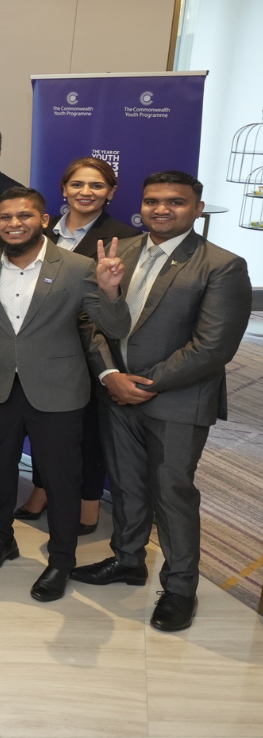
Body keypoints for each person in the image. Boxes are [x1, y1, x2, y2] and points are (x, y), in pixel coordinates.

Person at [74, 171, 250, 632]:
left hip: (177, 400)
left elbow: (212, 347)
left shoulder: (222, 265)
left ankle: (180, 589)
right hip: (117, 393)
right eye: (153, 201)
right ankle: (127, 560)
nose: (162, 209)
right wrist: (110, 376)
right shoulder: (119, 252)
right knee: (127, 485)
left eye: (175, 201)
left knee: (172, 493)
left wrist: (143, 384)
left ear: (197, 207)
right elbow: (93, 320)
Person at [0, 186, 128, 602]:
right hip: (0, 386)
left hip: (59, 390)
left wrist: (110, 290)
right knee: (1, 468)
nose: (14, 223)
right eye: (6, 217)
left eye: (25, 216)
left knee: (60, 478)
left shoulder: (77, 267)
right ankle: (1, 537)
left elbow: (115, 327)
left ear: (44, 220)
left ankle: (61, 559)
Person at [19, 157, 142, 531]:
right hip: (40, 347)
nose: (85, 192)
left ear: (111, 192)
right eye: (77, 184)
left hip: (92, 350)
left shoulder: (125, 238)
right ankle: (41, 489)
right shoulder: (43, 232)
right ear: (63, 189)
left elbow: (119, 303)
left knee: (87, 431)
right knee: (44, 426)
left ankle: (89, 503)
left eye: (96, 185)